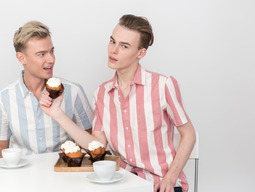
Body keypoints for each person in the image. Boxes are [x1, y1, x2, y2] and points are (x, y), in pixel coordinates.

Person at [40, 14, 196, 192]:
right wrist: (57, 114)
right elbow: (97, 145)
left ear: (140, 53)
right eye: (112, 41)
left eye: (124, 46)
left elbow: (188, 134)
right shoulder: (101, 93)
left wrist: (170, 178)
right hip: (122, 182)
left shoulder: (163, 85)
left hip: (161, 183)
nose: (113, 50)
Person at [0, 21, 93, 159]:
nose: (51, 59)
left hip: (65, 175)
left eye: (52, 51)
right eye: (42, 54)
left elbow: (92, 144)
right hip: (23, 177)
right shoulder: (3, 99)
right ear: (21, 58)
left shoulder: (74, 92)